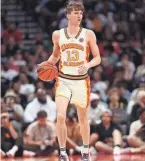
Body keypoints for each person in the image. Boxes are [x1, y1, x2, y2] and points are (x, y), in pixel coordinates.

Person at [38, 1, 101, 160]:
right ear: (68, 15)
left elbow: (98, 58)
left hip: (81, 81)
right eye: (75, 13)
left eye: (81, 13)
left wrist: (87, 65)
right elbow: (55, 56)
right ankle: (63, 152)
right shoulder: (57, 35)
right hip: (63, 80)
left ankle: (85, 150)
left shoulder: (88, 34)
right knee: (60, 116)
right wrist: (46, 64)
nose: (79, 15)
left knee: (83, 119)